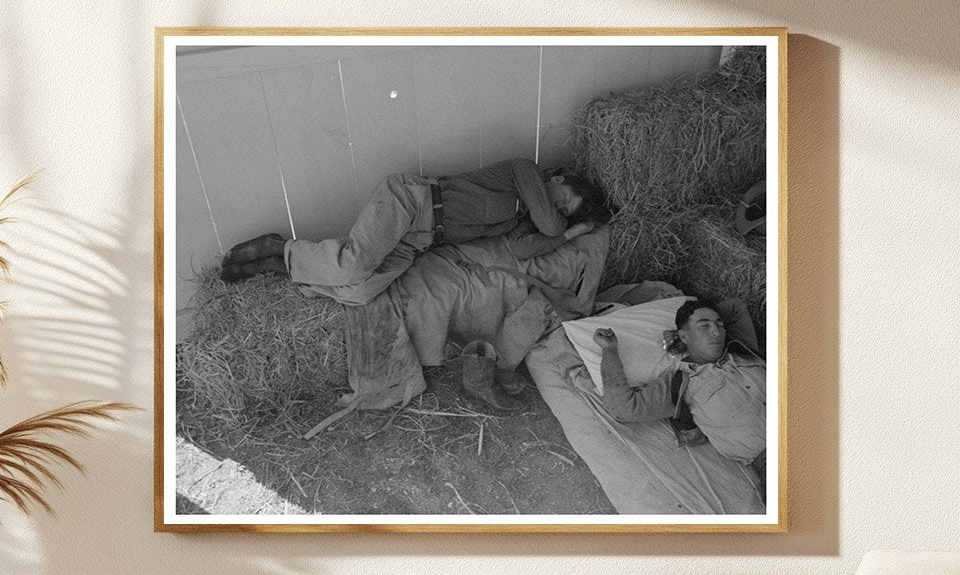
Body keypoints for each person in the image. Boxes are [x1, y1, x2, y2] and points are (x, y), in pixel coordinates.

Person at [218, 159, 603, 305]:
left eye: (566, 212)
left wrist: (573, 234)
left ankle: (285, 268)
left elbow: (524, 250)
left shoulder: (522, 220)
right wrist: (564, 225)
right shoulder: (526, 172)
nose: (559, 211)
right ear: (558, 178)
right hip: (412, 202)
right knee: (352, 266)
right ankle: (277, 247)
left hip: (419, 240)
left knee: (361, 291)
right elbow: (550, 225)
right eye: (564, 200)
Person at [591, 298, 767, 477]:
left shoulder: (741, 348)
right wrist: (609, 350)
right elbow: (624, 408)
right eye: (704, 326)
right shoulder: (680, 384)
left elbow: (734, 307)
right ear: (683, 335)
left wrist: (689, 336)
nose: (717, 332)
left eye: (720, 325)